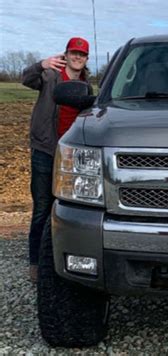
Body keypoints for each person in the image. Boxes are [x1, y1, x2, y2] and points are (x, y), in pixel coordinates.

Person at [21, 37, 92, 282]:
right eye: (74, 53)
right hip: (45, 150)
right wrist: (40, 64)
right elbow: (25, 79)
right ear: (66, 54)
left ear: (86, 59)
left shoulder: (86, 85)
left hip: (71, 157)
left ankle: (64, 260)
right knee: (42, 209)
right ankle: (35, 263)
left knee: (67, 210)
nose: (77, 57)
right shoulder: (50, 76)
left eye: (81, 55)